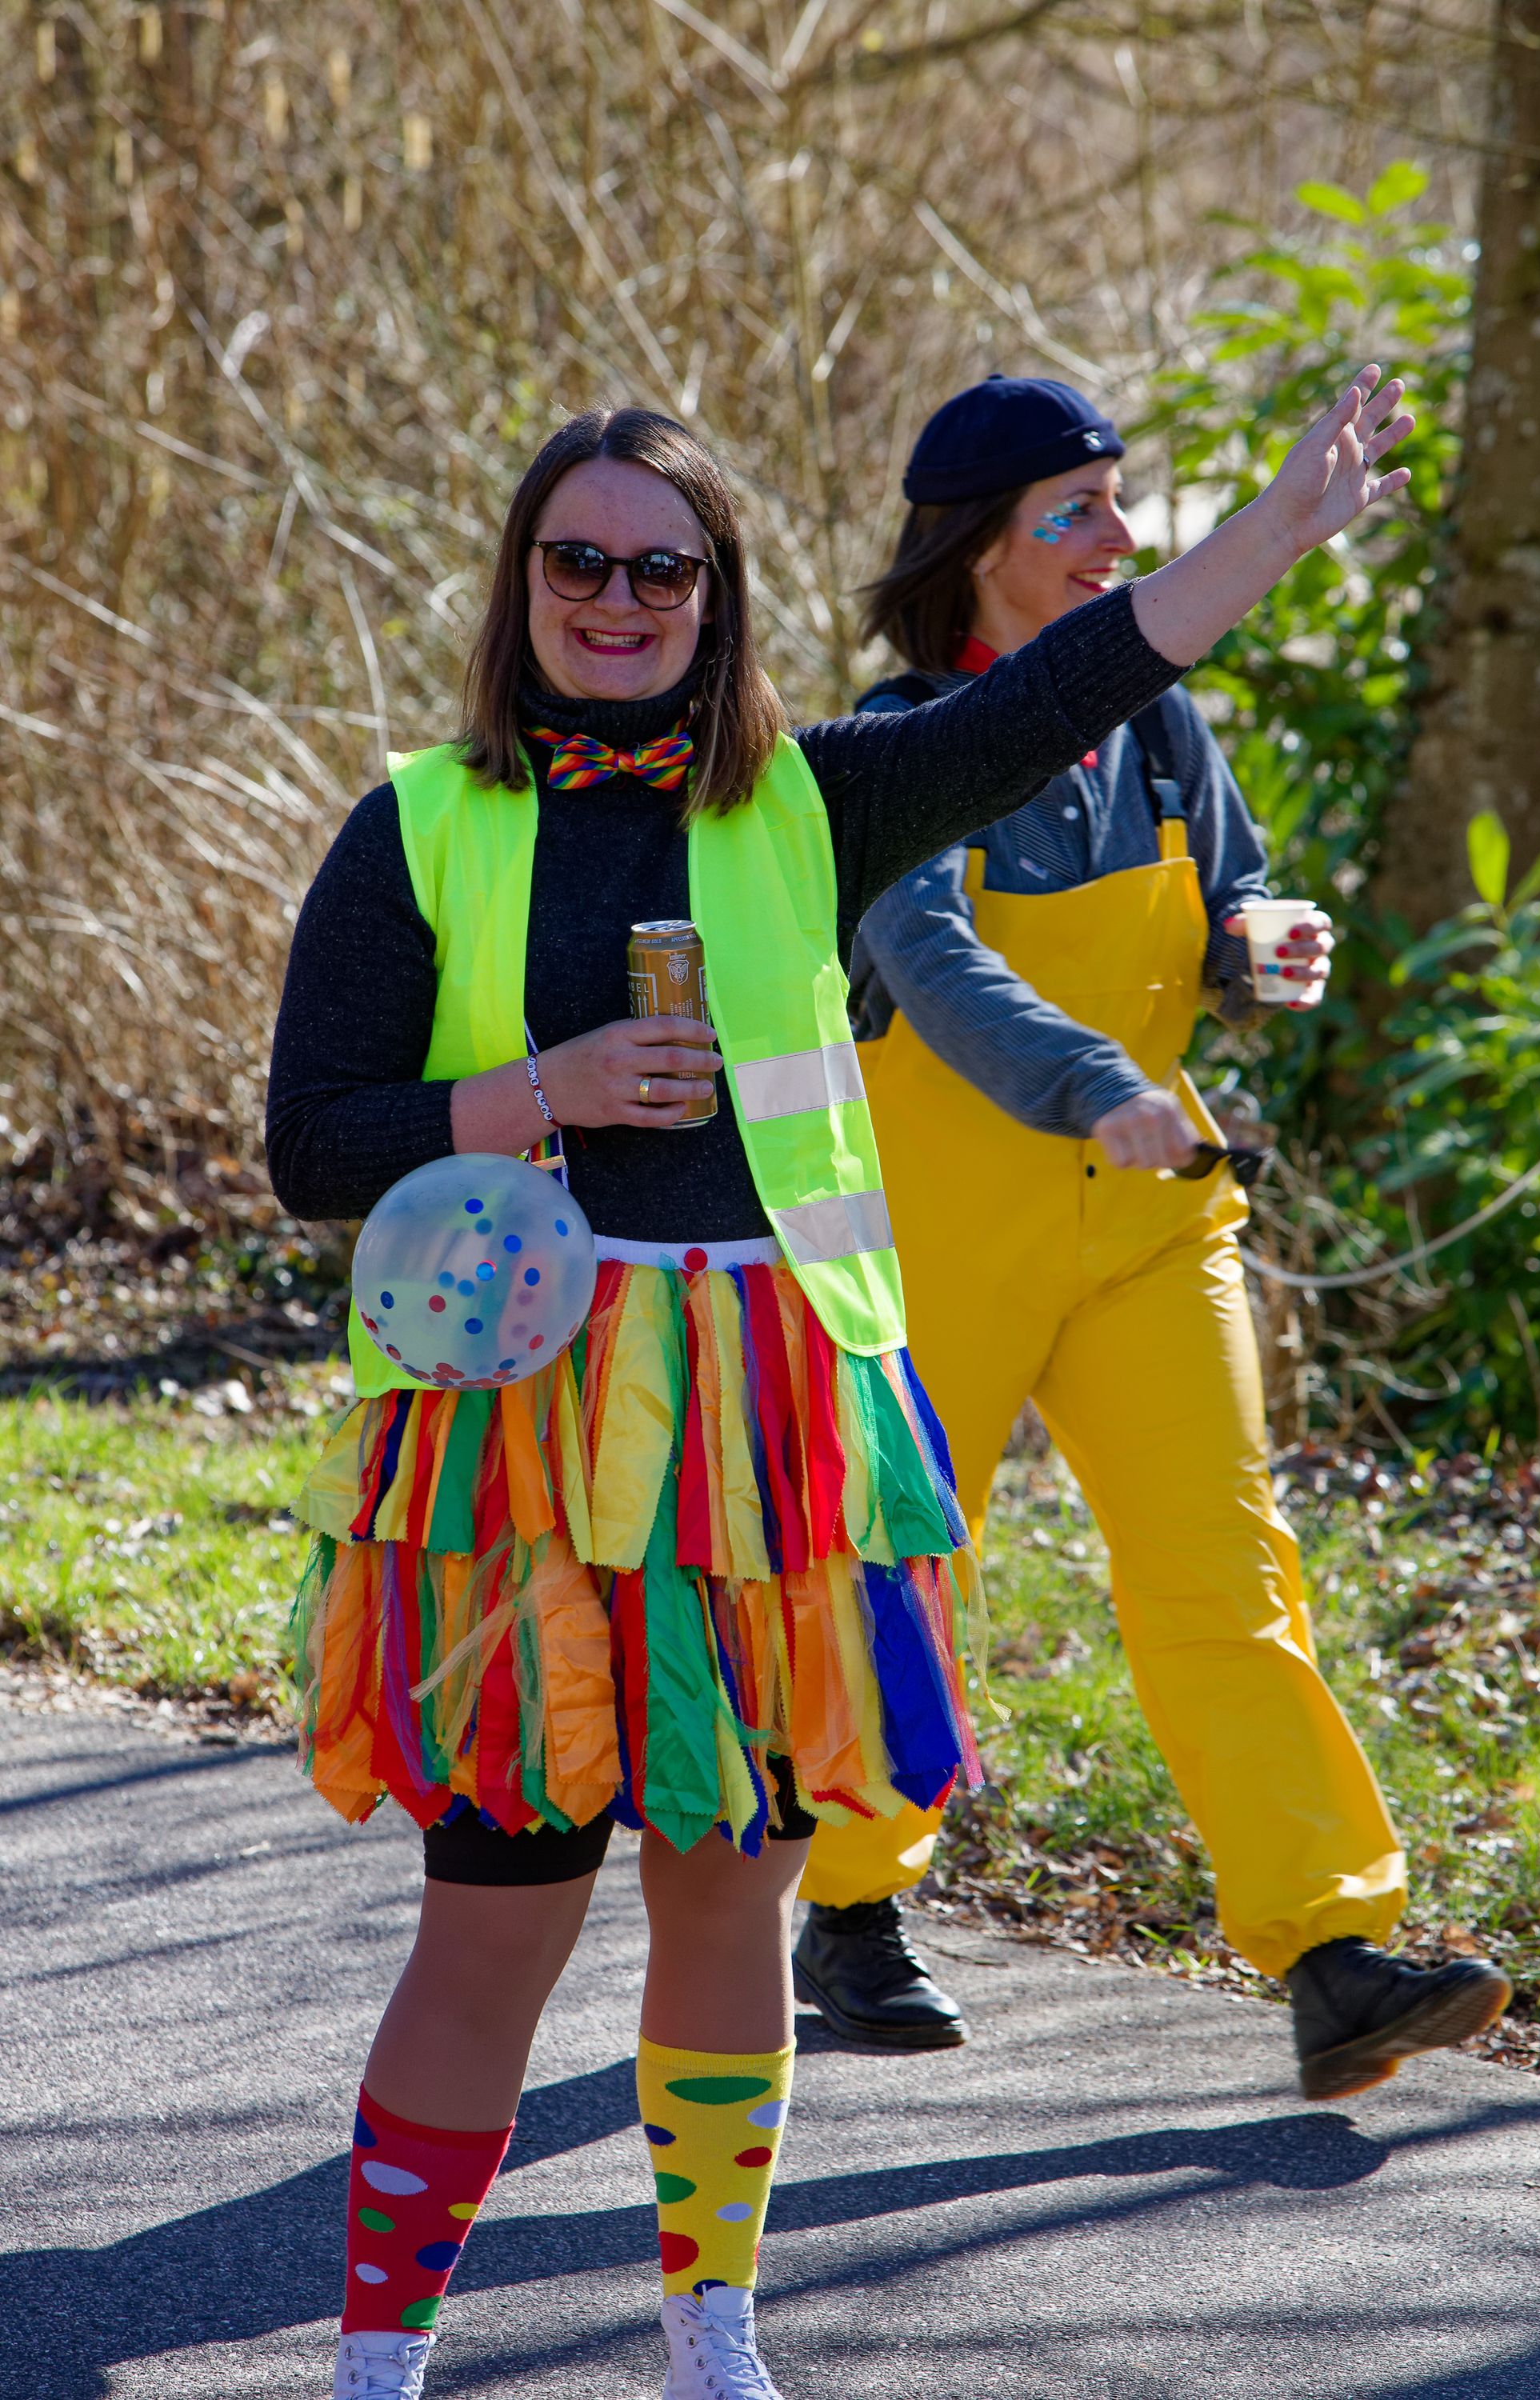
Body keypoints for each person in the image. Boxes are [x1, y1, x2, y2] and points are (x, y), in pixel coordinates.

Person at [266, 377, 1414, 2400]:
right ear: (521, 581)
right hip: (517, 1433)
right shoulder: (419, 824)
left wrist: (1276, 535)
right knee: (494, 1929)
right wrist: (539, 1093)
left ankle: (711, 2331)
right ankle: (380, 2359)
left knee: (726, 1917)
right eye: (577, 561)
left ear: (716, 599)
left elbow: (1076, 676)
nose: (617, 599)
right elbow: (310, 1142)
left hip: (771, 1431)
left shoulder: (817, 801)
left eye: (662, 571)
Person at [792, 372, 1510, 2100]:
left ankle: (1333, 1953)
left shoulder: (1162, 726)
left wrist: (1258, 945)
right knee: (899, 1564)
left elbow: (1229, 895)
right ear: (978, 547)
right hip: (932, 1229)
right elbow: (931, 963)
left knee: (1224, 1571)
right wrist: (1093, 1080)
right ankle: (846, 1900)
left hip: (1150, 1220)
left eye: (1123, 502)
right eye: (1079, 512)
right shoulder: (898, 745)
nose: (1119, 537)